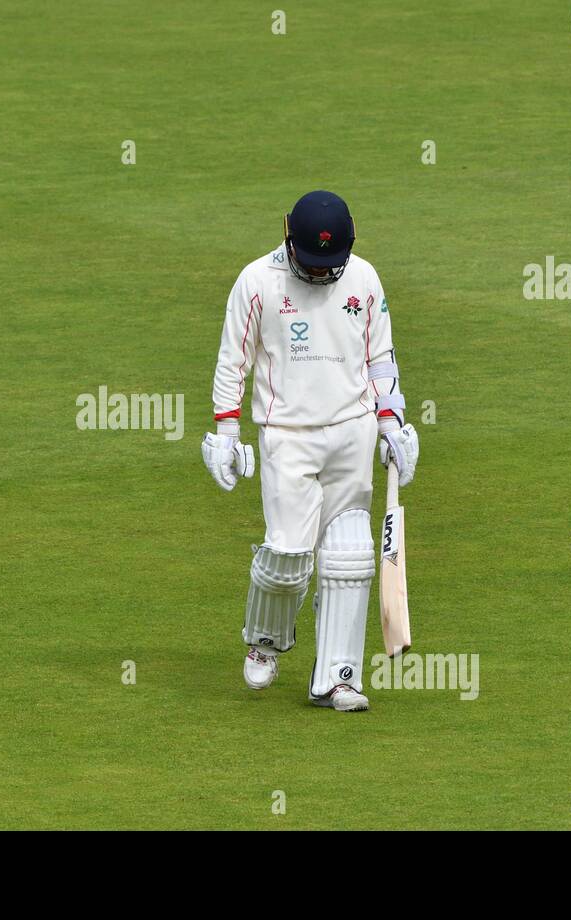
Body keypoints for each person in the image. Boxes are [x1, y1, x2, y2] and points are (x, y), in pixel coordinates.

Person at [201, 190, 419, 712]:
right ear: (286, 236)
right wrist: (225, 432)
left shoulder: (364, 278)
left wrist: (393, 424)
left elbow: (381, 354)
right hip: (287, 435)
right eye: (313, 265)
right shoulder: (257, 282)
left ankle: (336, 679)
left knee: (349, 556)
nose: (322, 276)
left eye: (331, 266)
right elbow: (234, 360)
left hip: (353, 430)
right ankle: (266, 641)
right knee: (287, 556)